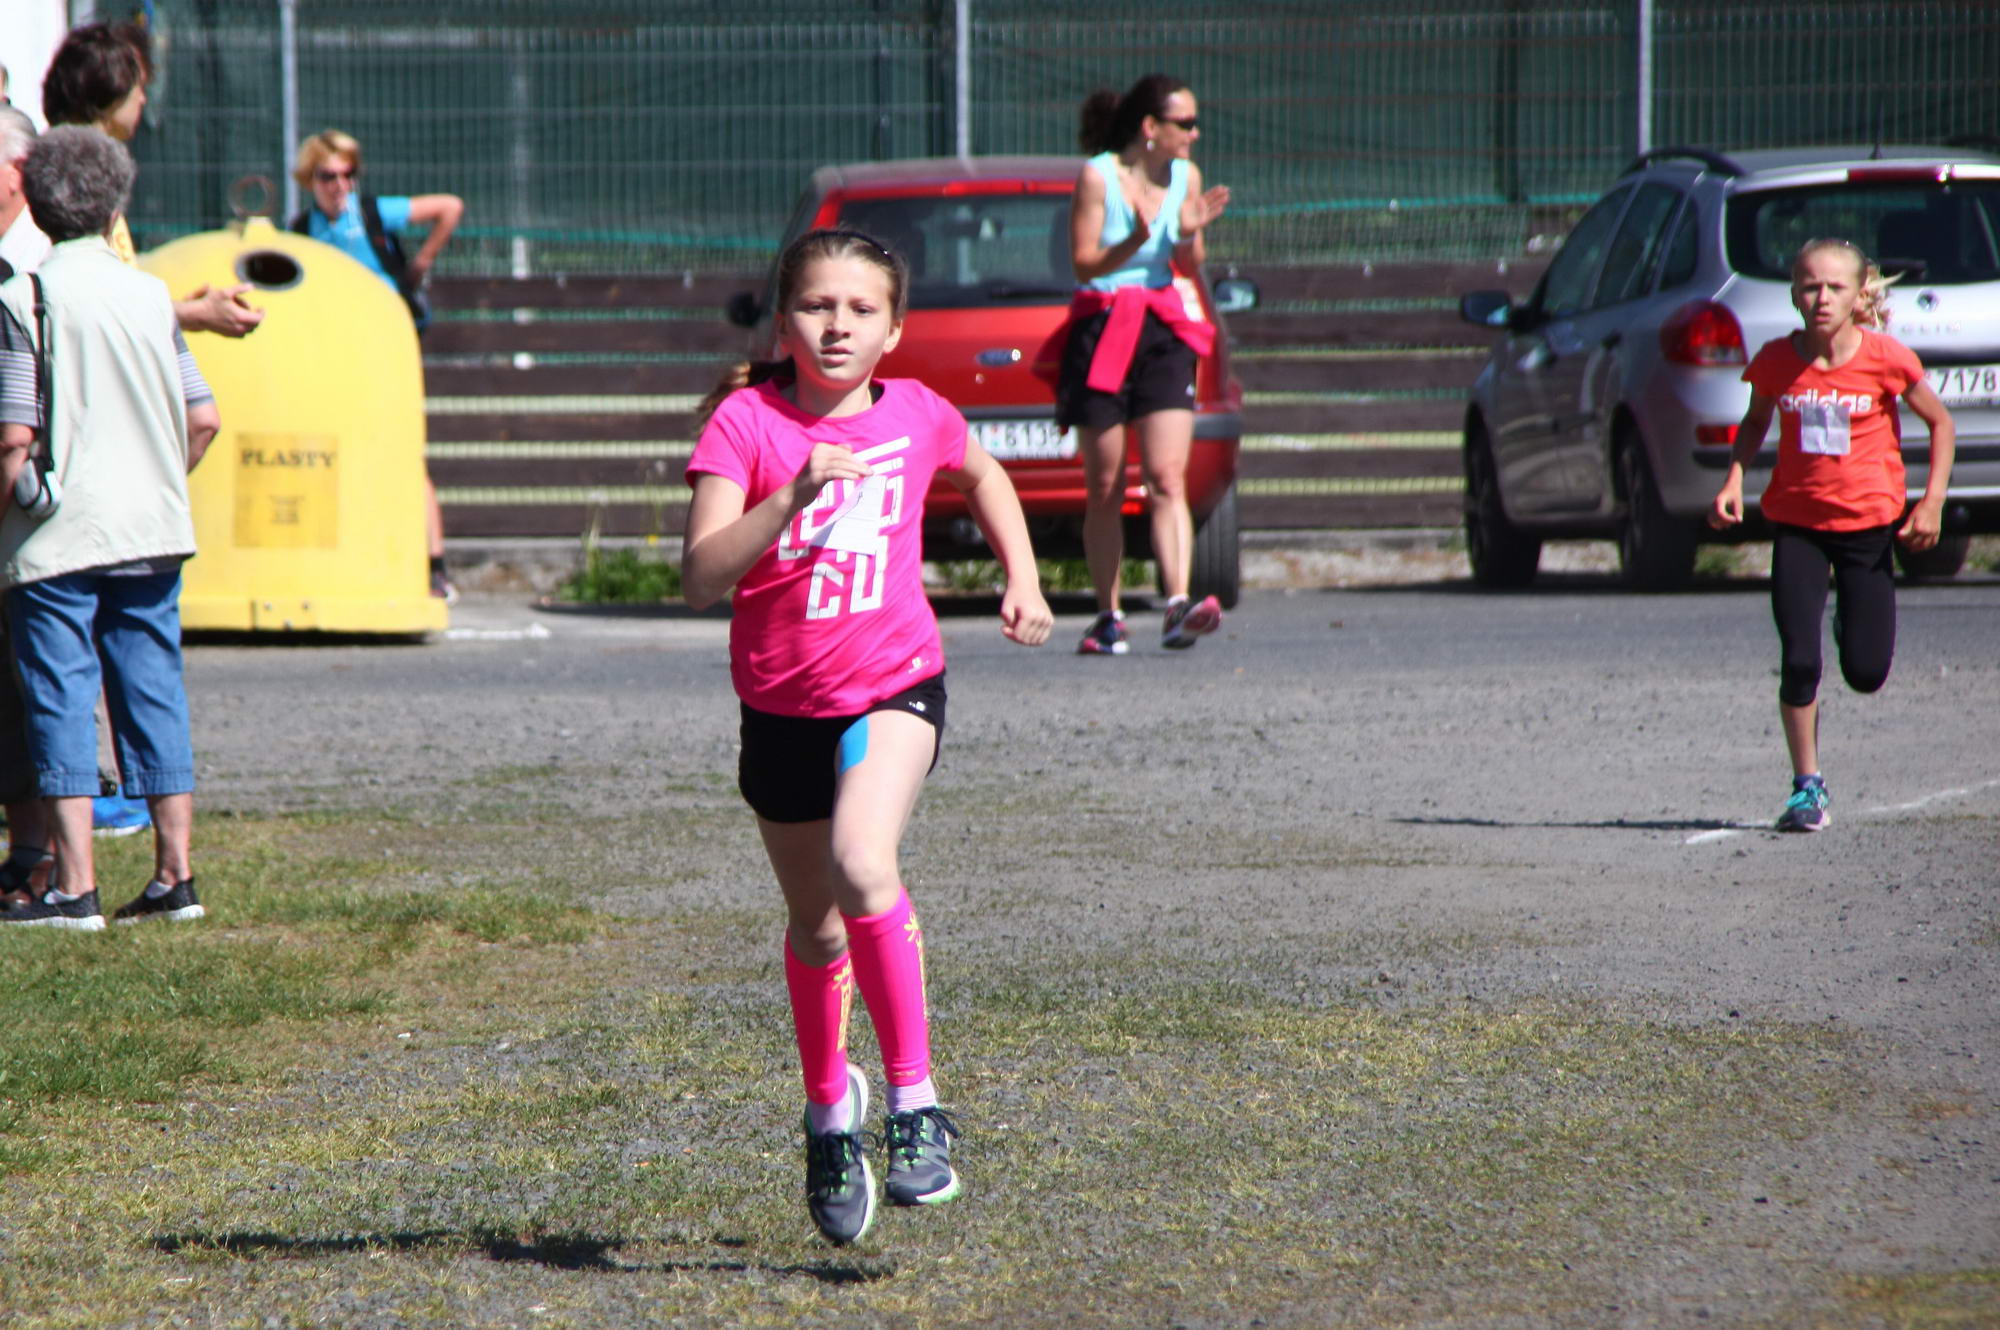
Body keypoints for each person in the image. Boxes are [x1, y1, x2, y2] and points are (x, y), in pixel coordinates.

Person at [682, 228, 1053, 1245]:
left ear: (893, 330)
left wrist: (1022, 578)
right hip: (780, 710)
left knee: (862, 862)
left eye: (860, 310)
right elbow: (701, 575)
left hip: (893, 686)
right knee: (816, 929)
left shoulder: (919, 413)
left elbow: (984, 475)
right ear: (783, 322)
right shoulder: (745, 424)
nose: (837, 325)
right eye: (816, 306)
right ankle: (827, 1113)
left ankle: (913, 1104)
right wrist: (790, 495)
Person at [0, 126, 218, 929]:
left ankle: (75, 886)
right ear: (115, 202)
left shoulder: (23, 298)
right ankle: (175, 878)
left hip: (57, 535)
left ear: (37, 201)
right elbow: (203, 417)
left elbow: (14, 435)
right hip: (152, 528)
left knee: (61, 696)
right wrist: (159, 482)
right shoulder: (153, 295)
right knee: (152, 690)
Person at [1708, 237, 1956, 832]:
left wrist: (1932, 503)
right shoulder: (1776, 360)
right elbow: (1755, 421)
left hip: (1867, 528)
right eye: (1810, 286)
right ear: (1794, 294)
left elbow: (1941, 422)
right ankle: (1806, 787)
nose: (1822, 298)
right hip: (1798, 526)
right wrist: (1734, 478)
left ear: (1858, 294)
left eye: (1835, 287)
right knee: (1799, 660)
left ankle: (1850, 614)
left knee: (1866, 671)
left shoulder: (1886, 358)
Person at [1061, 73, 1230, 654]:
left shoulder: (1187, 177)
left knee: (1166, 477)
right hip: (1103, 324)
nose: (1195, 133)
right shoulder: (1098, 176)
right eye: (1185, 123)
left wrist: (1185, 235)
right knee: (1105, 484)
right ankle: (1107, 616)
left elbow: (1190, 261)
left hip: (1161, 327)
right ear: (1150, 127)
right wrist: (1134, 242)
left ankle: (1178, 604)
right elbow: (1083, 264)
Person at [290, 129, 463, 601]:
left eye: (348, 174)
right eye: (328, 176)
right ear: (309, 179)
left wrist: (420, 263)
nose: (340, 185)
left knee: (406, 454)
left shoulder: (372, 214)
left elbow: (450, 207)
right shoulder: (300, 231)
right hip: (337, 359)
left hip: (386, 353)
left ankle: (435, 568)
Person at [41, 22, 264, 337]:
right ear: (110, 88)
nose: (143, 100)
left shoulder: (85, 174)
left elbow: (108, 305)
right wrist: (194, 314)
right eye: (140, 86)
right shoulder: (58, 181)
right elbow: (80, 308)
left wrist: (183, 312)